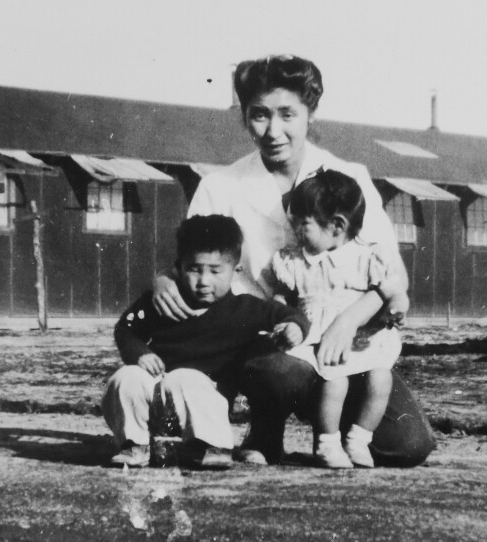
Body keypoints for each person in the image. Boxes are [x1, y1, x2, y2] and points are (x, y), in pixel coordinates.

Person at [152, 54, 436, 466]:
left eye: (288, 114)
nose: (273, 131)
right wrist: (163, 280)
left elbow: (391, 274)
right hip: (273, 346)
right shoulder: (222, 186)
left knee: (406, 445)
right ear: (244, 117)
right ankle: (266, 431)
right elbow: (186, 259)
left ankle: (338, 430)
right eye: (259, 115)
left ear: (310, 114)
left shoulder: (347, 176)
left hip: (349, 342)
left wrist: (347, 321)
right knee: (275, 369)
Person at [102, 215, 310, 468]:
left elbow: (290, 314)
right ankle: (135, 444)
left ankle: (212, 446)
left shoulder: (244, 309)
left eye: (215, 271)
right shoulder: (163, 302)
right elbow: (127, 328)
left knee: (186, 378)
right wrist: (140, 354)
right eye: (194, 269)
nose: (203, 281)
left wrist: (294, 327)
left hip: (206, 398)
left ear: (236, 271)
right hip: (156, 391)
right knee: (126, 377)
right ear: (178, 267)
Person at [267, 169, 410, 468]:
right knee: (335, 381)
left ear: (337, 226)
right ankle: (327, 442)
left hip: (361, 340)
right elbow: (283, 297)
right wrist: (280, 317)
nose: (295, 229)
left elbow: (393, 290)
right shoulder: (295, 262)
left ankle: (359, 440)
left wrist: (398, 308)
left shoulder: (368, 258)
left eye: (302, 223)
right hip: (318, 340)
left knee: (380, 378)